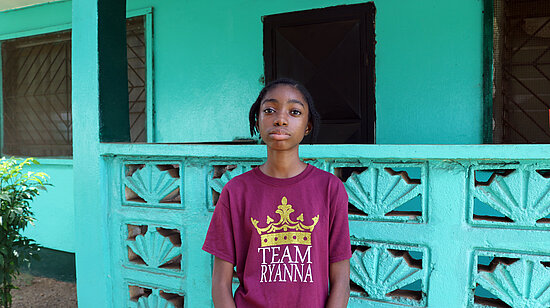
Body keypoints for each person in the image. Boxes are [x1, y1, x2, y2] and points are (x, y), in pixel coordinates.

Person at [202, 78, 351, 308]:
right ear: (257, 120)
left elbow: (340, 278)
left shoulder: (330, 189)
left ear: (308, 125)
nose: (281, 119)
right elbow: (220, 283)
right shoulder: (235, 192)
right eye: (269, 110)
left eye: (294, 112)